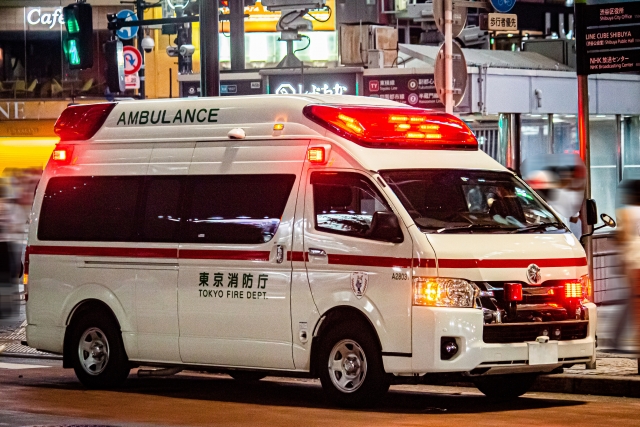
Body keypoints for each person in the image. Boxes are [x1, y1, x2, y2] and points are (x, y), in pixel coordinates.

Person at [615, 179, 640, 353]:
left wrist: (621, 262)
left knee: (635, 303)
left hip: (635, 262)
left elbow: (623, 237)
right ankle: (617, 339)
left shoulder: (626, 213)